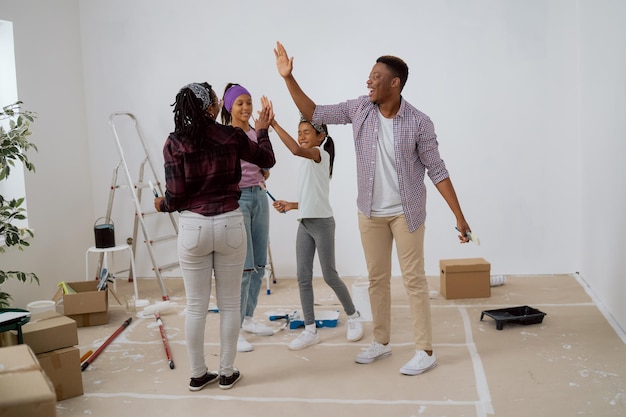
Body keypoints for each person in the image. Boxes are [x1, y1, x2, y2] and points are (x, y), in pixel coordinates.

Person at [274, 41, 472, 375]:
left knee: (414, 281)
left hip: (407, 213)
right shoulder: (359, 109)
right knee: (377, 280)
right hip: (370, 213)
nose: (369, 81)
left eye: (376, 77)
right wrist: (288, 78)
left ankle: (425, 350)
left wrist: (459, 215)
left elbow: (437, 170)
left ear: (394, 83)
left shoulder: (419, 123)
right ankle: (381, 342)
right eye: (369, 75)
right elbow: (315, 112)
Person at [154, 82, 275, 390]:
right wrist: (261, 130)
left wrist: (161, 204)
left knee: (195, 306)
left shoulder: (174, 143)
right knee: (230, 304)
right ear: (211, 106)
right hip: (229, 223)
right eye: (217, 99)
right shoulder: (232, 136)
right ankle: (226, 371)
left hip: (193, 227)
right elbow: (266, 160)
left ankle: (197, 373)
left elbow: (176, 198)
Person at [265, 103, 363, 350]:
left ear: (321, 136)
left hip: (322, 224)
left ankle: (353, 316)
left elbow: (297, 150)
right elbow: (312, 197)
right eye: (300, 132)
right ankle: (310, 330)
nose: (301, 137)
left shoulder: (321, 154)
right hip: (305, 223)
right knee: (303, 277)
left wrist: (274, 124)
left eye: (306, 132)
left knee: (330, 275)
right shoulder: (308, 161)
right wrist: (291, 204)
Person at [220, 83, 276, 352]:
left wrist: (263, 171)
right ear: (229, 106)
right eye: (240, 102)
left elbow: (266, 163)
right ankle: (235, 327)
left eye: (249, 102)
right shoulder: (227, 135)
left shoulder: (255, 133)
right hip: (238, 199)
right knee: (244, 267)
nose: (246, 108)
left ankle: (249, 319)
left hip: (260, 197)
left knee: (260, 265)